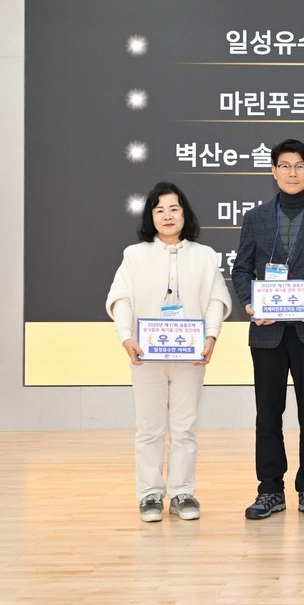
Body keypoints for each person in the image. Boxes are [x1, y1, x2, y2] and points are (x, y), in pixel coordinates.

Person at [232, 140, 304, 522]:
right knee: (267, 414)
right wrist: (250, 305)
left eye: (300, 166)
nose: (293, 172)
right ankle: (270, 490)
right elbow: (241, 269)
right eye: (285, 166)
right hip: (267, 332)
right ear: (273, 171)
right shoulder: (256, 217)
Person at [106, 182, 232, 523]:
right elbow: (121, 299)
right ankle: (149, 494)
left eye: (174, 208)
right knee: (149, 427)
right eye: (159, 209)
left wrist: (211, 336)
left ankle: (181, 492)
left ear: (184, 213)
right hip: (146, 355)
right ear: (150, 216)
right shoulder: (134, 255)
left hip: (190, 357)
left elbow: (216, 300)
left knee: (184, 427)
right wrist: (126, 337)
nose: (167, 215)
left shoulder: (204, 256)